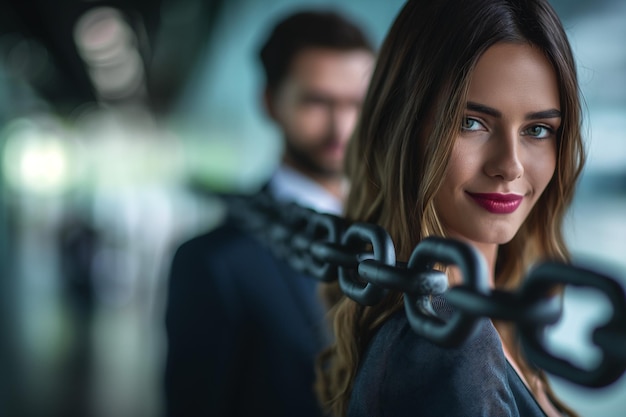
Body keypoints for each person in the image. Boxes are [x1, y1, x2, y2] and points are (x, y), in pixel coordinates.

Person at [315, 0, 585, 416]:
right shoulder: (447, 345)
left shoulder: (481, 329)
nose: (509, 165)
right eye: (471, 122)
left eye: (537, 129)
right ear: (402, 128)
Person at [164, 10, 374, 417]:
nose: (341, 128)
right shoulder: (213, 262)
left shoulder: (400, 242)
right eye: (317, 102)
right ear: (270, 102)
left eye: (357, 104)